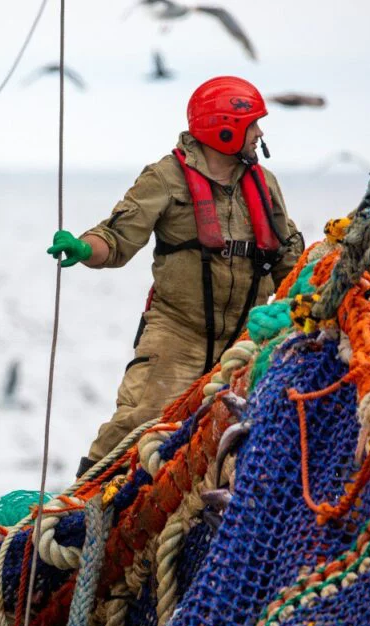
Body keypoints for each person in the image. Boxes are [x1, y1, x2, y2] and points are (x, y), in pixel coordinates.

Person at [47, 76, 305, 477]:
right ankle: (85, 508)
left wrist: (319, 285)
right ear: (225, 126)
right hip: (178, 333)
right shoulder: (166, 178)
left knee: (253, 438)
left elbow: (290, 259)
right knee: (142, 421)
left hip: (244, 341)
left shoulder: (263, 183)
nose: (260, 133)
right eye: (253, 123)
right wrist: (84, 248)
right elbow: (115, 237)